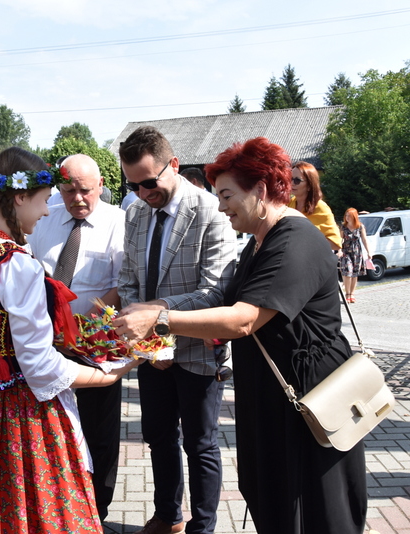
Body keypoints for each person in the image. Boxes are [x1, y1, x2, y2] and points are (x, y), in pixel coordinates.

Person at [114, 137, 368, 534]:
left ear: (261, 190)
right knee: (274, 498)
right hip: (274, 397)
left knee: (316, 508)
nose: (220, 205)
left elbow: (242, 320)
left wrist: (159, 319)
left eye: (228, 194)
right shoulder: (259, 242)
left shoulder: (295, 241)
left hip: (308, 400)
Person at [0, 146, 139, 533]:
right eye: (41, 200)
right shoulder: (16, 264)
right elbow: (39, 366)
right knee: (44, 507)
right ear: (18, 197)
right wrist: (107, 376)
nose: (48, 210)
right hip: (24, 412)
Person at [117, 126, 237, 534]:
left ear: (173, 165)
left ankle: (202, 527)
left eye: (149, 183)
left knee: (200, 445)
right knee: (157, 437)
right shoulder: (134, 211)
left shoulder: (209, 209)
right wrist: (152, 344)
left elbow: (215, 290)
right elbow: (129, 278)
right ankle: (168, 515)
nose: (141, 193)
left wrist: (158, 320)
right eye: (131, 185)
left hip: (198, 349)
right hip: (152, 352)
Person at [27, 153, 125, 522]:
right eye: (68, 191)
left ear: (101, 186)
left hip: (94, 347)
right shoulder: (47, 219)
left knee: (99, 432)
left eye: (85, 190)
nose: (77, 199)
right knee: (55, 429)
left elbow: (122, 284)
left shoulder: (118, 222)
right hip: (49, 346)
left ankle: (98, 509)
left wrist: (83, 328)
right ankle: (60, 505)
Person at [289, 161, 341, 250]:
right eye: (290, 179)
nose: (292, 183)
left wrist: (303, 244)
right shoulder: (288, 203)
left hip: (312, 261)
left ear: (309, 185)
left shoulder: (321, 207)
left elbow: (335, 243)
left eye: (297, 180)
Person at [340, 208, 372, 303]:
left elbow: (364, 240)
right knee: (347, 272)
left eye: (349, 215)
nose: (347, 217)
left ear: (354, 216)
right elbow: (340, 239)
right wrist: (339, 250)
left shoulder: (360, 226)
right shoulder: (343, 227)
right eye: (346, 215)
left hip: (357, 252)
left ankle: (352, 294)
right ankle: (347, 294)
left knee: (354, 273)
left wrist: (369, 252)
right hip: (346, 252)